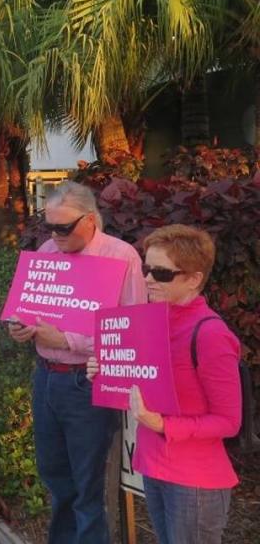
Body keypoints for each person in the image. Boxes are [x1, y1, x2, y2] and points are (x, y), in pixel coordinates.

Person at [8, 182, 146, 544]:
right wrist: (21, 325)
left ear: (90, 220)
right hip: (48, 379)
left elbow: (132, 334)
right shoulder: (48, 250)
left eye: (63, 228)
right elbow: (30, 309)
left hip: (88, 382)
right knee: (55, 475)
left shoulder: (121, 256)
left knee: (88, 484)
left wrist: (70, 340)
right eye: (50, 226)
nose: (56, 235)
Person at [86, 225, 241, 544]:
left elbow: (229, 421)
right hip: (155, 464)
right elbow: (142, 383)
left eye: (162, 273)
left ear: (194, 279)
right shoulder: (148, 322)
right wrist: (106, 373)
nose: (148, 279)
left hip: (194, 477)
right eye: (146, 269)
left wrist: (164, 425)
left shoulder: (211, 335)